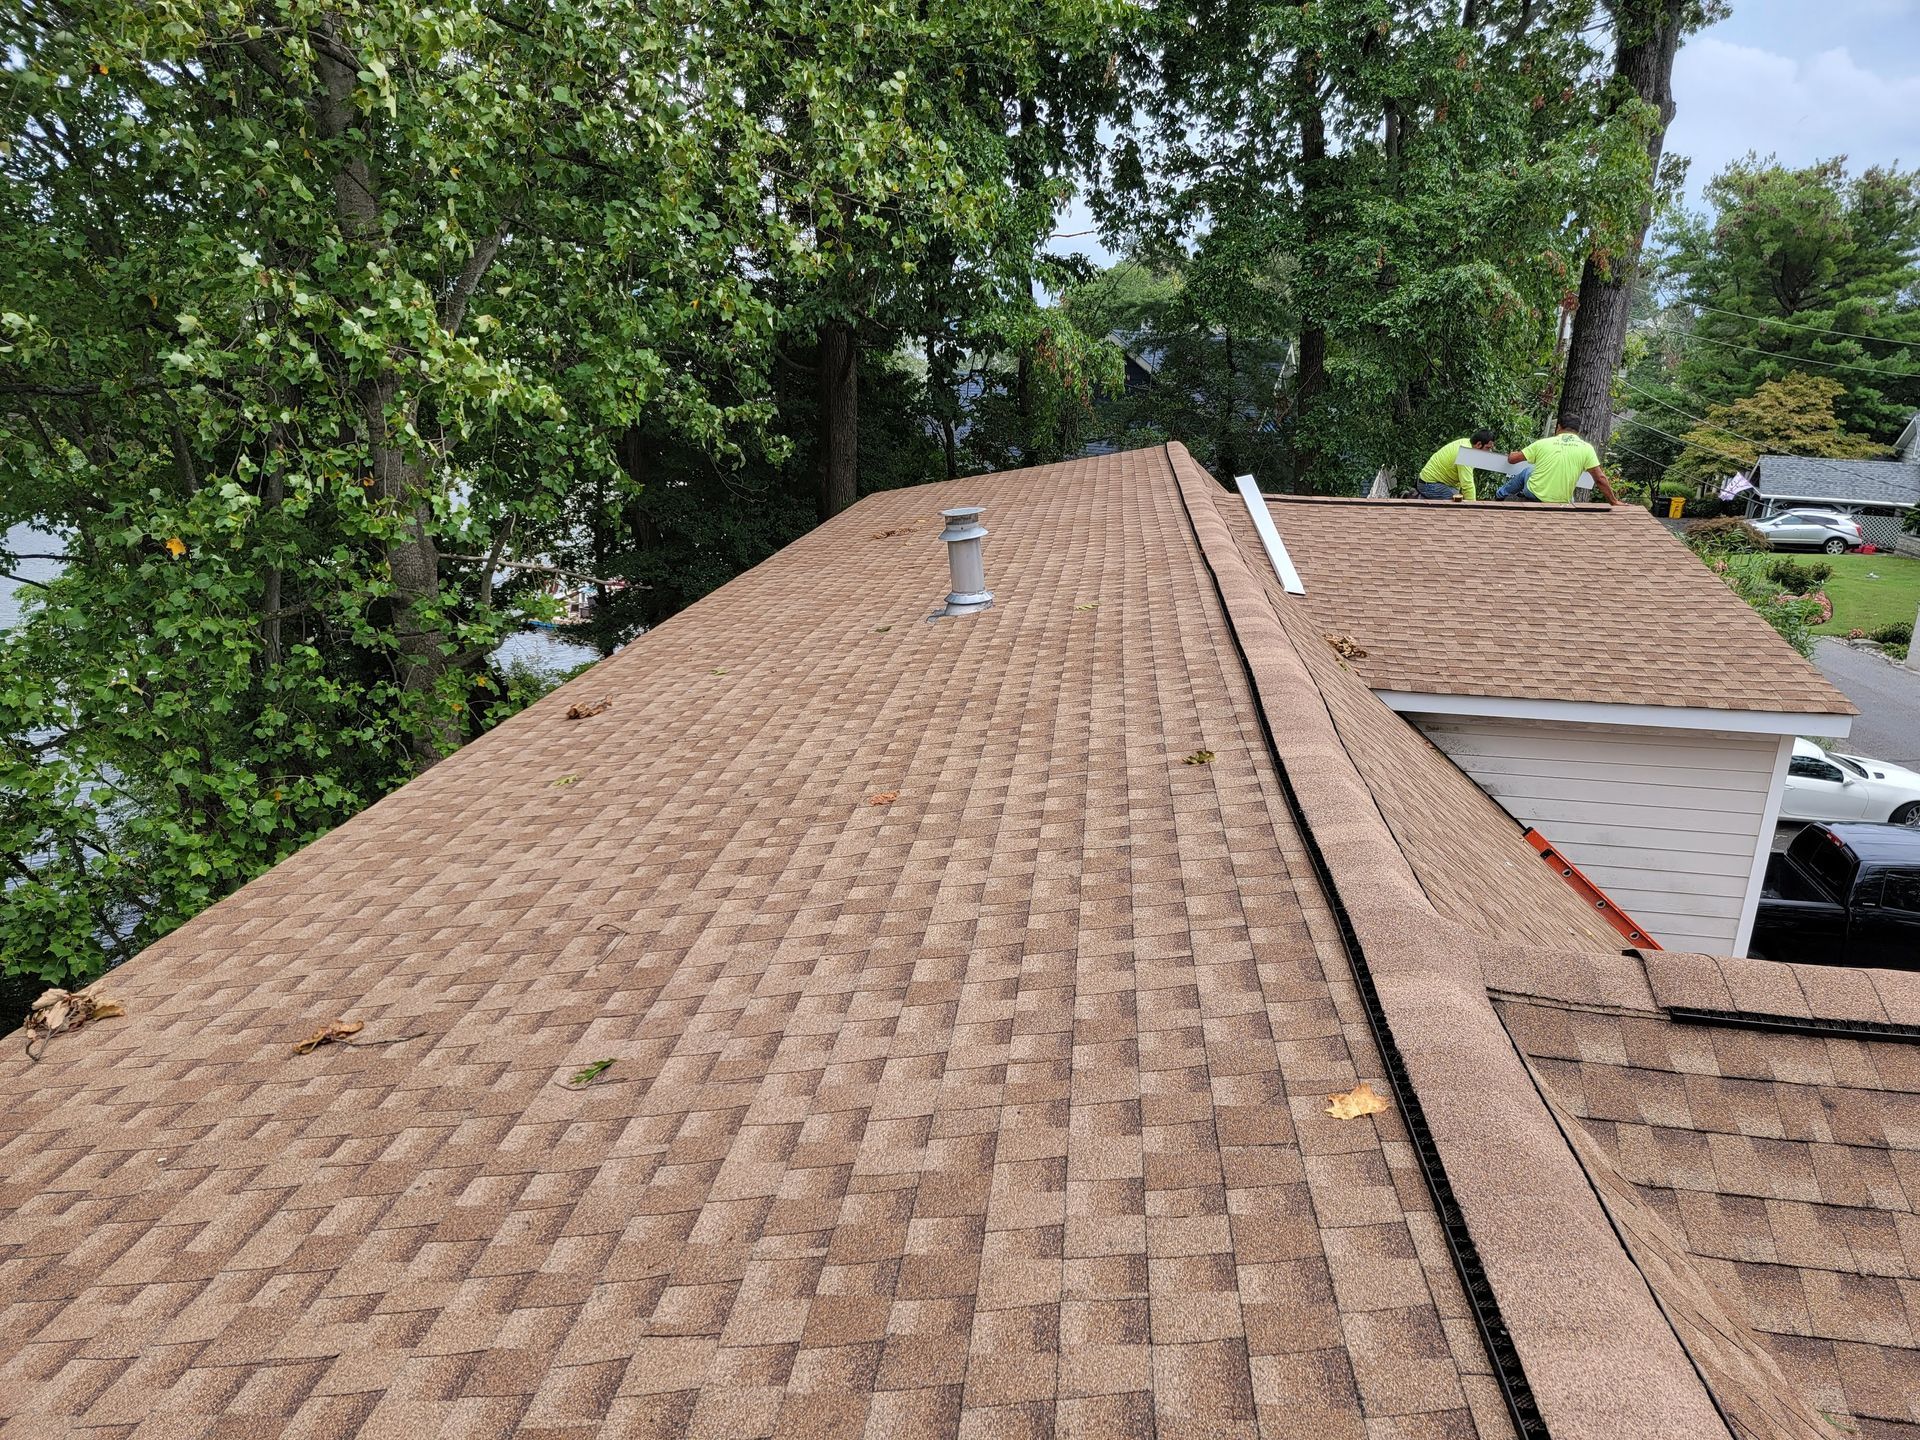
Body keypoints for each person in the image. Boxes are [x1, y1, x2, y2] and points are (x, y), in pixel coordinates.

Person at [1495, 424, 1618, 504]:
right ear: (1577, 432)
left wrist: (1512, 453)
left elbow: (1512, 459)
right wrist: (1614, 501)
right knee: (1571, 497)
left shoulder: (1543, 443)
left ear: (1558, 427)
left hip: (1534, 493)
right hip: (1563, 500)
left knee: (1528, 470)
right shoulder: (1587, 448)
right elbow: (1600, 479)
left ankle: (1500, 494)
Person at [1414, 430, 1498, 501]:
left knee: (1458, 496)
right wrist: (1473, 509)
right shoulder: (1467, 455)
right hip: (1429, 484)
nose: (1490, 452)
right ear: (1479, 444)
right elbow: (1467, 485)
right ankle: (1419, 499)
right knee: (1457, 501)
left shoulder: (1467, 444)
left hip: (1435, 483)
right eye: (1487, 448)